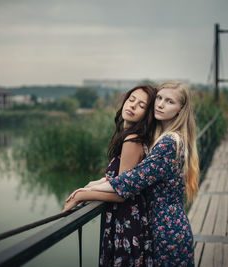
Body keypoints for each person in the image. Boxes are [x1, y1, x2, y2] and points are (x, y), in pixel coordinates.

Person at [65, 81, 199, 266]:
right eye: (159, 98)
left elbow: (128, 182)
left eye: (169, 101)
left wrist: (83, 194)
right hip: (161, 227)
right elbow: (132, 176)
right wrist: (93, 184)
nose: (160, 104)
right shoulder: (162, 137)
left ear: (180, 110)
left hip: (167, 233)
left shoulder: (169, 142)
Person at [63, 84, 157, 266]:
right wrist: (93, 184)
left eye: (141, 105)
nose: (133, 105)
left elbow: (121, 193)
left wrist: (82, 194)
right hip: (132, 221)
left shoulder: (132, 140)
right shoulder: (133, 137)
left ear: (147, 115)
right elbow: (121, 178)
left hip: (126, 222)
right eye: (131, 100)